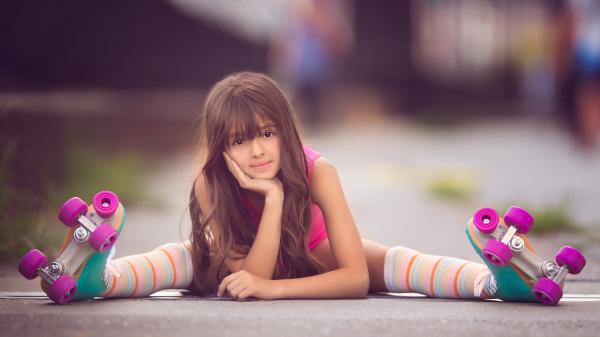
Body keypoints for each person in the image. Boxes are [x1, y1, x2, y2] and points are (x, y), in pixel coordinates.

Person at [36, 71, 574, 303]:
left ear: (286, 131)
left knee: (392, 261)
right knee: (181, 258)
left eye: (268, 133)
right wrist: (270, 204)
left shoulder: (319, 171)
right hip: (241, 261)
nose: (259, 150)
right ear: (222, 147)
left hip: (313, 255)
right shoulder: (210, 182)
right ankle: (94, 278)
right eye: (242, 140)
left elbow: (355, 278)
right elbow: (250, 275)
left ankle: (497, 281)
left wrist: (275, 289)